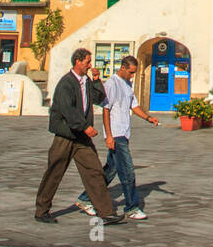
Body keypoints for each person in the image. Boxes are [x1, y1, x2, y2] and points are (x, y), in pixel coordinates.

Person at [33, 48, 124, 225]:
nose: (90, 65)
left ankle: (106, 212)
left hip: (81, 139)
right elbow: (68, 110)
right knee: (54, 173)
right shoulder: (66, 83)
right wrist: (85, 127)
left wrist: (97, 81)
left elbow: (98, 98)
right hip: (66, 136)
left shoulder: (86, 81)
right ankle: (41, 210)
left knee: (94, 172)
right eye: (87, 62)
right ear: (78, 62)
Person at [76, 55, 159, 220]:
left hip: (124, 133)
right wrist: (109, 135)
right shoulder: (112, 84)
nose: (132, 75)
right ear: (123, 68)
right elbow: (106, 110)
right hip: (116, 134)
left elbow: (134, 106)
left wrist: (149, 118)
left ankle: (85, 198)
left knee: (110, 170)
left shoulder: (128, 84)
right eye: (131, 72)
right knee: (128, 172)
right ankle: (131, 207)